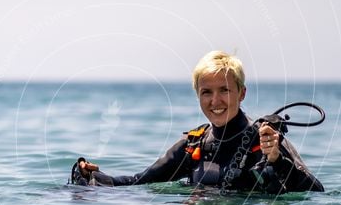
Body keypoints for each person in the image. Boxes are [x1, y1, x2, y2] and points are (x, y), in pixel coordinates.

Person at [71, 51, 323, 194]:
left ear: (242, 93)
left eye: (224, 90)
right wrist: (92, 178)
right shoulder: (193, 146)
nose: (215, 101)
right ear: (197, 95)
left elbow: (316, 192)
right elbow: (139, 182)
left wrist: (277, 160)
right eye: (206, 92)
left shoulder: (266, 139)